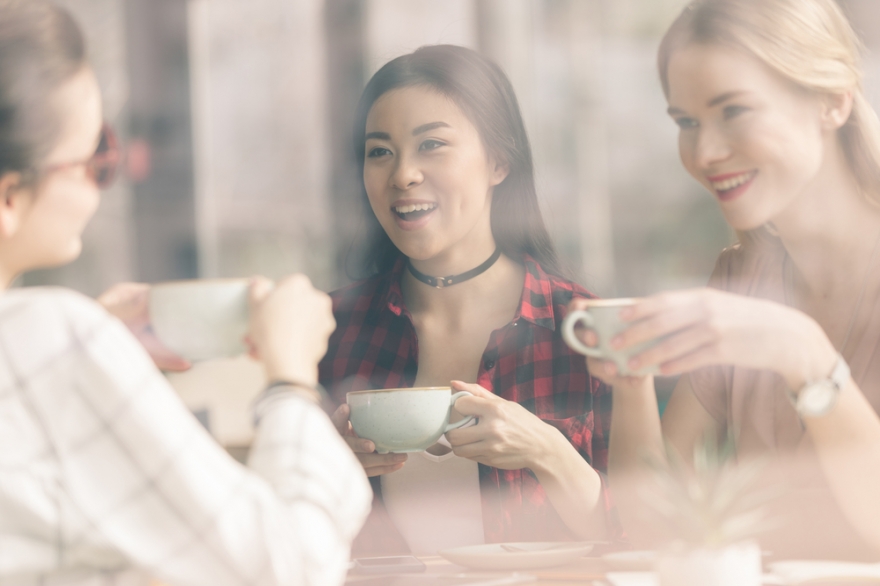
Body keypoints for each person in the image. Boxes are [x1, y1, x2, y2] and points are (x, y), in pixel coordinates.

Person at [0, 2, 370, 584]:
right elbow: (289, 566)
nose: (107, 176)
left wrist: (99, 346)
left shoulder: (49, 344)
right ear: (10, 197)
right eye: (95, 159)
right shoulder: (53, 342)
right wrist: (291, 380)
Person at [575, 0, 880, 560]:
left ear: (832, 102)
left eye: (734, 111)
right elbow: (654, 528)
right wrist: (632, 369)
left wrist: (807, 355)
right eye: (686, 122)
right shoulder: (742, 275)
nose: (704, 152)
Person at [320, 44, 612, 555]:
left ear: (499, 160)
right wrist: (322, 471)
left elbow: (639, 538)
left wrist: (548, 451)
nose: (403, 174)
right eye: (380, 151)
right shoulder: (327, 330)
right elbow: (277, 542)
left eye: (431, 144)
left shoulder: (583, 328)